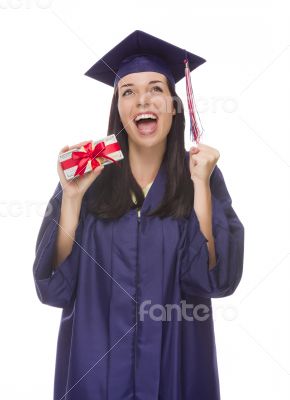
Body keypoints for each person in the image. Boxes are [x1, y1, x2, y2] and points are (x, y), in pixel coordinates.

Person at [32, 30, 244, 400]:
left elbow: (215, 280)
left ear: (175, 105)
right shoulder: (88, 177)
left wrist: (199, 185)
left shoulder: (201, 176)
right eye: (127, 91)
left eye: (156, 89)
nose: (142, 99)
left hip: (177, 372)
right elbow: (55, 287)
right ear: (118, 109)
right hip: (94, 372)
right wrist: (70, 200)